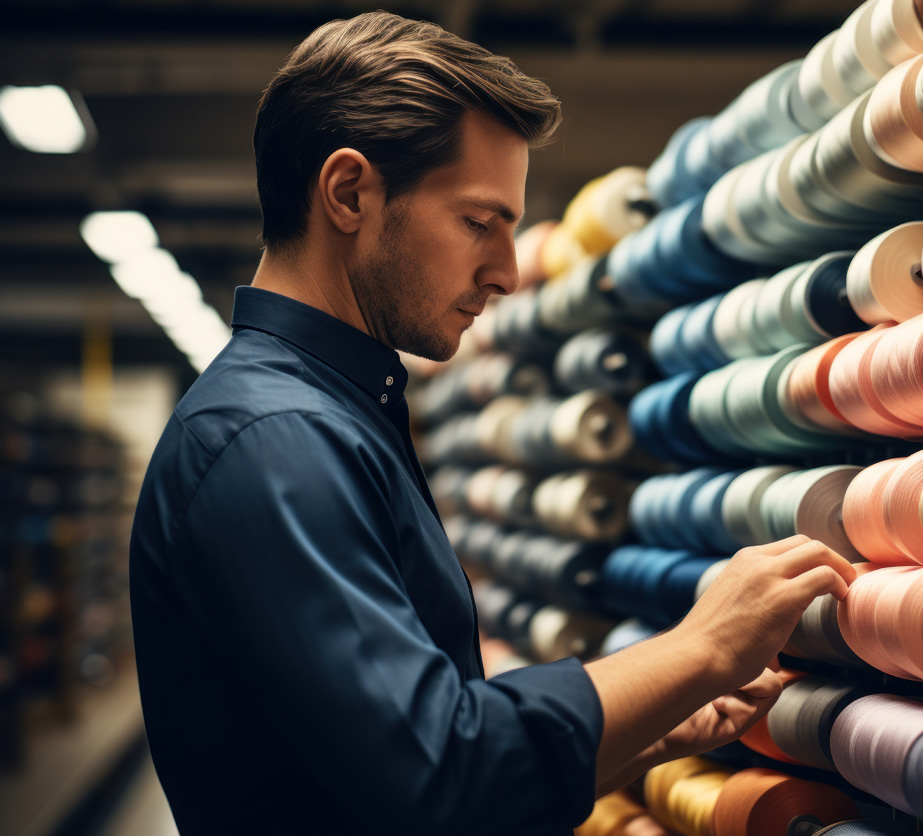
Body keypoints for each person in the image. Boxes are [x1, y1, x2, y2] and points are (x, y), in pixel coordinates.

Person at [129, 12, 856, 836]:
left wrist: (643, 728)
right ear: (348, 193)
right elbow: (435, 775)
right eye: (479, 222)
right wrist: (702, 647)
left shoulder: (333, 412)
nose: (507, 273)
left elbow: (373, 768)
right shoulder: (274, 441)